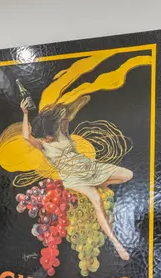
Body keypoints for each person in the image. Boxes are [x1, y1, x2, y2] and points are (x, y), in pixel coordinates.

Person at [21, 97, 133, 260]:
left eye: (47, 136)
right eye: (43, 137)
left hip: (90, 168)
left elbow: (66, 113)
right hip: (74, 178)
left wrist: (76, 103)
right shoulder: (43, 146)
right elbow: (26, 136)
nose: (46, 139)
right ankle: (117, 244)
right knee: (97, 201)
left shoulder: (62, 132)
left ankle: (100, 183)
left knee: (128, 175)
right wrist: (25, 113)